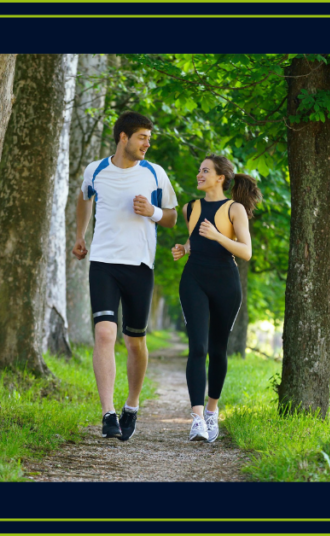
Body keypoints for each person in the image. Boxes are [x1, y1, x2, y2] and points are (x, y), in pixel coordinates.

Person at [71, 111, 178, 441]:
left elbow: (173, 217)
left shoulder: (155, 174)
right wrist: (80, 235)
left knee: (135, 341)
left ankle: (131, 406)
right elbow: (83, 197)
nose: (148, 143)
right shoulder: (96, 170)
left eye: (149, 137)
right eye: (142, 136)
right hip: (103, 263)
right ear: (123, 137)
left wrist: (153, 212)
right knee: (104, 334)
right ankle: (108, 413)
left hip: (140, 266)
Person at [171, 155, 261, 442]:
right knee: (197, 347)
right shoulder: (190, 208)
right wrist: (185, 249)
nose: (199, 174)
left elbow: (245, 252)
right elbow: (196, 238)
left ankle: (212, 411)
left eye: (205, 170)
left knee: (217, 349)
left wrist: (217, 236)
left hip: (225, 283)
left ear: (220, 177)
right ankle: (197, 419)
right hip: (194, 279)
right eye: (199, 170)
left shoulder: (235, 209)